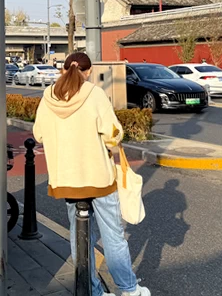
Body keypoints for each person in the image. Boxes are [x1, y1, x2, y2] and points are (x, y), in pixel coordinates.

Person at [33, 52, 150, 296]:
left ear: (63, 70)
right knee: (113, 236)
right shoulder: (94, 94)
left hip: (65, 180)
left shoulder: (48, 97)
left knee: (79, 239)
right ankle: (129, 289)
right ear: (88, 72)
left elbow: (39, 134)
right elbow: (113, 133)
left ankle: (93, 292)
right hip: (98, 178)